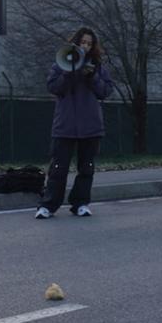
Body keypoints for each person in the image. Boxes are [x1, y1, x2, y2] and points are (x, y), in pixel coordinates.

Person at [36, 26, 114, 219]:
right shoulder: (61, 65)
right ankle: (48, 205)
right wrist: (69, 73)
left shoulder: (98, 67)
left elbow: (105, 91)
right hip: (65, 126)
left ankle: (81, 203)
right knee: (57, 169)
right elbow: (54, 87)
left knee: (86, 167)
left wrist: (92, 77)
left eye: (89, 43)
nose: (85, 46)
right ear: (76, 43)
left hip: (90, 126)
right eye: (83, 42)